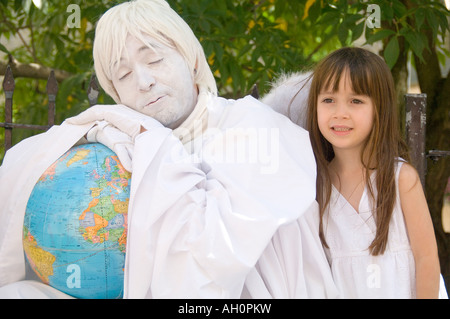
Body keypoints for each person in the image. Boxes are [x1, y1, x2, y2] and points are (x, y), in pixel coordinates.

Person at [0, 0, 338, 298]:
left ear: (190, 59)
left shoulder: (251, 126)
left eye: (156, 59)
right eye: (123, 74)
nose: (144, 81)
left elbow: (211, 259)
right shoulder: (120, 147)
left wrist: (158, 150)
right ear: (116, 96)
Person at [303, 46, 447, 298]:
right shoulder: (315, 185)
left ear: (379, 108)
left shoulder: (400, 178)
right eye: (328, 100)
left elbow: (426, 258)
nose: (340, 113)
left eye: (355, 101)